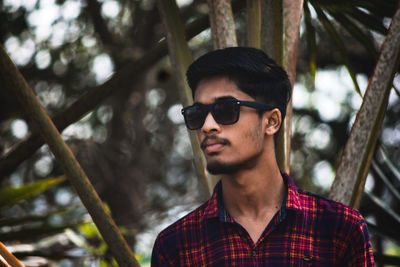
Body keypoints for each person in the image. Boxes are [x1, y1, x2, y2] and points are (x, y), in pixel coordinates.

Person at [151, 47, 374, 266]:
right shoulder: (176, 247)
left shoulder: (340, 231)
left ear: (271, 122)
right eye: (197, 115)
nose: (208, 126)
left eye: (226, 109)